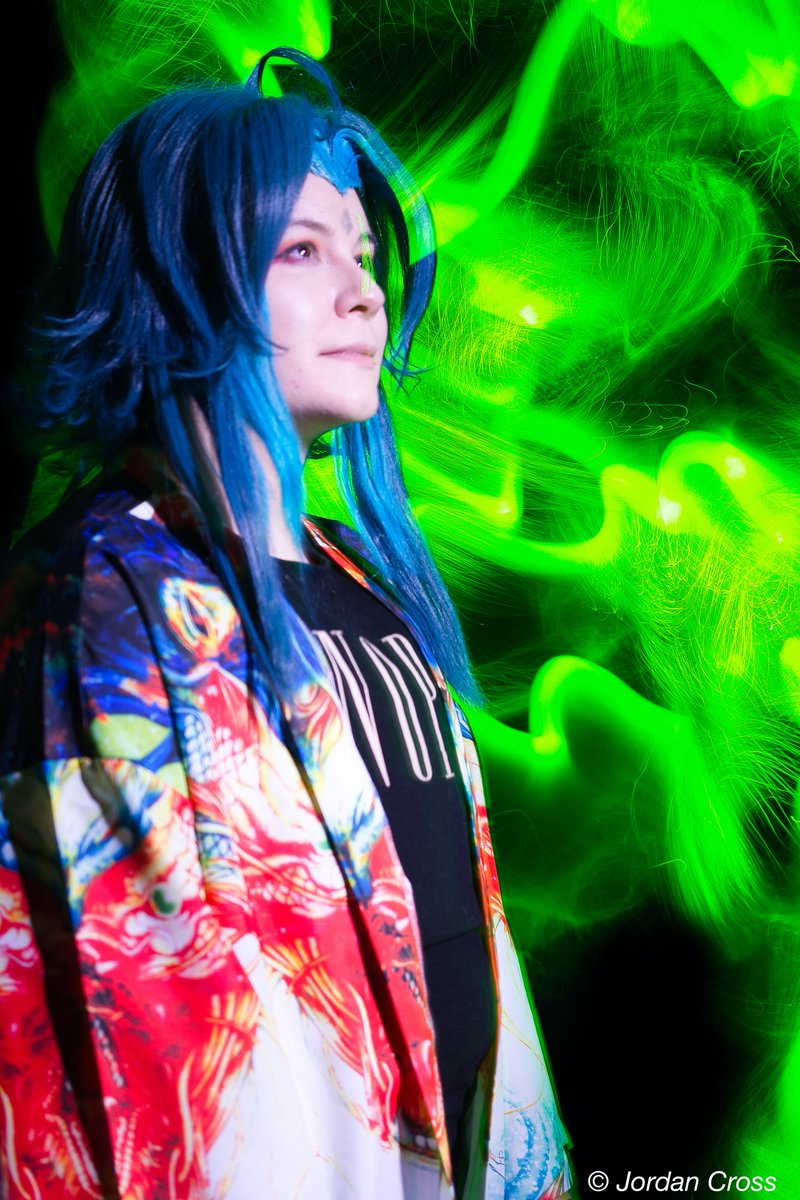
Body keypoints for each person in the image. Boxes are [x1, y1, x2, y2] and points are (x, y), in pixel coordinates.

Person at [0, 49, 573, 1199]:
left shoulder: (363, 579)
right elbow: (137, 1045)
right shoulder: (101, 612)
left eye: (360, 253)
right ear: (177, 280)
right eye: (302, 251)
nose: (364, 293)